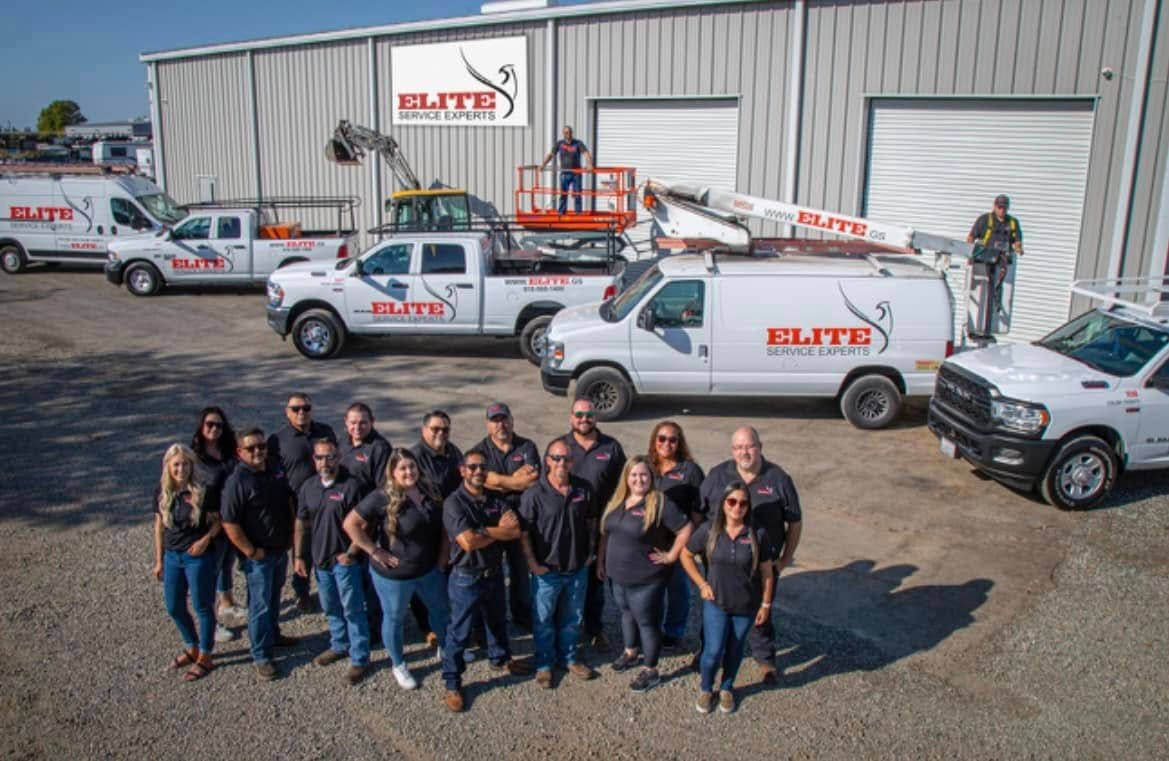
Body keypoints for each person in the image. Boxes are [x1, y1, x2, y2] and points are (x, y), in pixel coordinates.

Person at [699, 427, 802, 686]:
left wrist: (785, 559)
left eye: (749, 446)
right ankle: (710, 652)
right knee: (715, 607)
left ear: (760, 446)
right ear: (732, 450)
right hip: (721, 560)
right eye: (738, 447)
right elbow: (699, 513)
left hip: (760, 564)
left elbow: (795, 522)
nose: (744, 452)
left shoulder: (778, 479)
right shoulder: (717, 475)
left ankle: (765, 659)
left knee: (761, 613)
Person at [345, 448, 450, 691]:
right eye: (402, 468)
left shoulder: (429, 490)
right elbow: (350, 524)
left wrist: (443, 557)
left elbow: (442, 526)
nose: (409, 472)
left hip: (428, 570)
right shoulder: (381, 497)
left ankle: (445, 647)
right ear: (393, 472)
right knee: (395, 618)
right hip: (395, 576)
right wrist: (374, 551)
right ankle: (399, 663)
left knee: (441, 609)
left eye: (412, 466)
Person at [440, 449, 533, 712]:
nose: (478, 471)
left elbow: (514, 530)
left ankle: (501, 660)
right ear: (463, 470)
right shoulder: (454, 503)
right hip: (465, 578)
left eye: (482, 467)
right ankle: (452, 683)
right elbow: (467, 541)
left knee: (497, 622)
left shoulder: (495, 499)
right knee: (459, 633)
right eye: (472, 467)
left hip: (493, 573)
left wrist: (487, 532)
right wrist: (498, 531)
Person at [598, 456, 692, 693]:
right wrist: (601, 562)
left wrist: (671, 556)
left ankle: (651, 670)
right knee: (626, 614)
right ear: (626, 478)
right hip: (617, 576)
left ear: (651, 478)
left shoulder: (659, 503)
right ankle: (630, 652)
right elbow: (606, 534)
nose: (638, 479)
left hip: (646, 580)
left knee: (647, 622)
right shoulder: (619, 501)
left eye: (644, 475)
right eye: (634, 475)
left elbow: (686, 528)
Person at [681, 482, 776, 714]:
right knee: (713, 651)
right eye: (732, 501)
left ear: (748, 506)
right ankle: (706, 688)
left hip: (746, 606)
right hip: (716, 603)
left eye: (743, 503)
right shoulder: (709, 531)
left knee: (735, 649)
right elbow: (686, 554)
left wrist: (766, 604)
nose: (737, 507)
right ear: (723, 504)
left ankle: (726, 687)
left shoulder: (757, 534)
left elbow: (767, 573)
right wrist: (701, 584)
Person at [221, 426, 300, 681]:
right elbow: (229, 522)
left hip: (279, 549)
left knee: (274, 596)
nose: (258, 452)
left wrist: (290, 536)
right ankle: (261, 654)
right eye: (251, 448)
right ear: (239, 451)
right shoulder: (237, 481)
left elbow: (287, 501)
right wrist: (250, 550)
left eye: (262, 446)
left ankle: (273, 635)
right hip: (258, 556)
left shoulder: (274, 469)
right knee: (260, 604)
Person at [520, 440, 600, 688]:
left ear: (572, 461)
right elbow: (524, 533)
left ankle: (569, 658)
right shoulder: (534, 494)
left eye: (566, 458)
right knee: (543, 620)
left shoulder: (583, 489)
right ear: (547, 460)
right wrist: (532, 563)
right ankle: (544, 664)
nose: (561, 463)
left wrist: (591, 553)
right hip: (547, 572)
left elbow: (592, 521)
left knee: (572, 619)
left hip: (577, 569)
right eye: (556, 458)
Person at [293, 438, 370, 685]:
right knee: (331, 607)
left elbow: (365, 523)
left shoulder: (351, 486)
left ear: (338, 458)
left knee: (353, 610)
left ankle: (359, 658)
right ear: (313, 460)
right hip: (320, 561)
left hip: (344, 562)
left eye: (329, 457)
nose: (324, 462)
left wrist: (352, 552)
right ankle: (339, 644)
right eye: (319, 457)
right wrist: (298, 556)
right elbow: (302, 525)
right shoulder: (308, 487)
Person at [557, 399, 626, 651]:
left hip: (600, 527)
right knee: (567, 579)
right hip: (568, 526)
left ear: (596, 417)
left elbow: (625, 485)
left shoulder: (611, 447)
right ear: (570, 417)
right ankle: (564, 629)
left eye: (589, 414)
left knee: (597, 581)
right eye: (579, 414)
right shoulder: (560, 447)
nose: (584, 419)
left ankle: (595, 628)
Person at [152, 443, 222, 681]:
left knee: (203, 606)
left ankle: (205, 653)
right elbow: (159, 527)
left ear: (192, 465)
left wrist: (205, 540)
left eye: (185, 464)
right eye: (176, 465)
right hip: (173, 556)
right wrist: (159, 560)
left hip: (198, 557)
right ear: (168, 467)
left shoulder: (204, 491)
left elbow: (218, 521)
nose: (181, 469)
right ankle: (191, 644)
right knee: (173, 606)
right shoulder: (162, 492)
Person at [268, 392, 337, 612]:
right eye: (296, 409)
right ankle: (302, 591)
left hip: (327, 501)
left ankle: (333, 590)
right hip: (297, 505)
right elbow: (274, 476)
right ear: (286, 412)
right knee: (302, 551)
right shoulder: (277, 440)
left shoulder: (325, 432)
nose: (301, 413)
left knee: (331, 547)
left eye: (306, 408)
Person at [474, 402, 539, 630]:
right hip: (493, 522)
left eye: (504, 419)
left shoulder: (527, 446)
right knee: (492, 573)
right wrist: (514, 480)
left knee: (521, 572)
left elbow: (531, 480)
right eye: (495, 420)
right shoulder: (479, 452)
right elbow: (482, 481)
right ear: (487, 424)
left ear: (512, 421)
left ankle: (522, 615)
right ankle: (495, 619)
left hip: (521, 521)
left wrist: (498, 480)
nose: (500, 424)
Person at [409, 409, 464, 649]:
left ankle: (448, 620)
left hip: (451, 527)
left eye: (445, 429)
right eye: (435, 429)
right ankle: (426, 626)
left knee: (447, 575)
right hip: (426, 528)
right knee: (423, 578)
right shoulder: (415, 457)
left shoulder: (454, 453)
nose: (441, 433)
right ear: (424, 430)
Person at [647, 420, 705, 648]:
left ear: (679, 443)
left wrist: (687, 540)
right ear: (654, 441)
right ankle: (651, 629)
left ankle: (673, 631)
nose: (666, 443)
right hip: (649, 541)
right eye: (662, 438)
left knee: (677, 589)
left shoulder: (690, 471)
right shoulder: (646, 467)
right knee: (651, 589)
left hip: (678, 542)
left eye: (672, 439)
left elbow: (699, 509)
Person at [190, 406, 243, 640]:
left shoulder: (229, 453)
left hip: (231, 518)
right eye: (209, 424)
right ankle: (210, 623)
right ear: (201, 427)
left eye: (219, 425)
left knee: (227, 562)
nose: (214, 429)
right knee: (210, 570)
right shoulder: (194, 458)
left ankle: (227, 602)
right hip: (210, 522)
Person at [338, 402, 392, 497]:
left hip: (364, 507)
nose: (357, 428)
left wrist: (363, 510)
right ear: (346, 421)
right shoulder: (342, 441)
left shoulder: (381, 448)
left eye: (363, 423)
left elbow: (383, 488)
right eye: (353, 423)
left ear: (372, 421)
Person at [539, 125, 593, 214]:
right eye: (566, 132)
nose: (568, 134)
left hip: (576, 173)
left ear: (572, 133)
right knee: (563, 194)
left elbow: (586, 154)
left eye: (569, 132)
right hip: (565, 173)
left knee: (577, 194)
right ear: (563, 134)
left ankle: (578, 214)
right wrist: (543, 165)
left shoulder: (578, 143)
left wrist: (590, 164)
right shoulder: (560, 143)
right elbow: (551, 155)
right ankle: (561, 213)